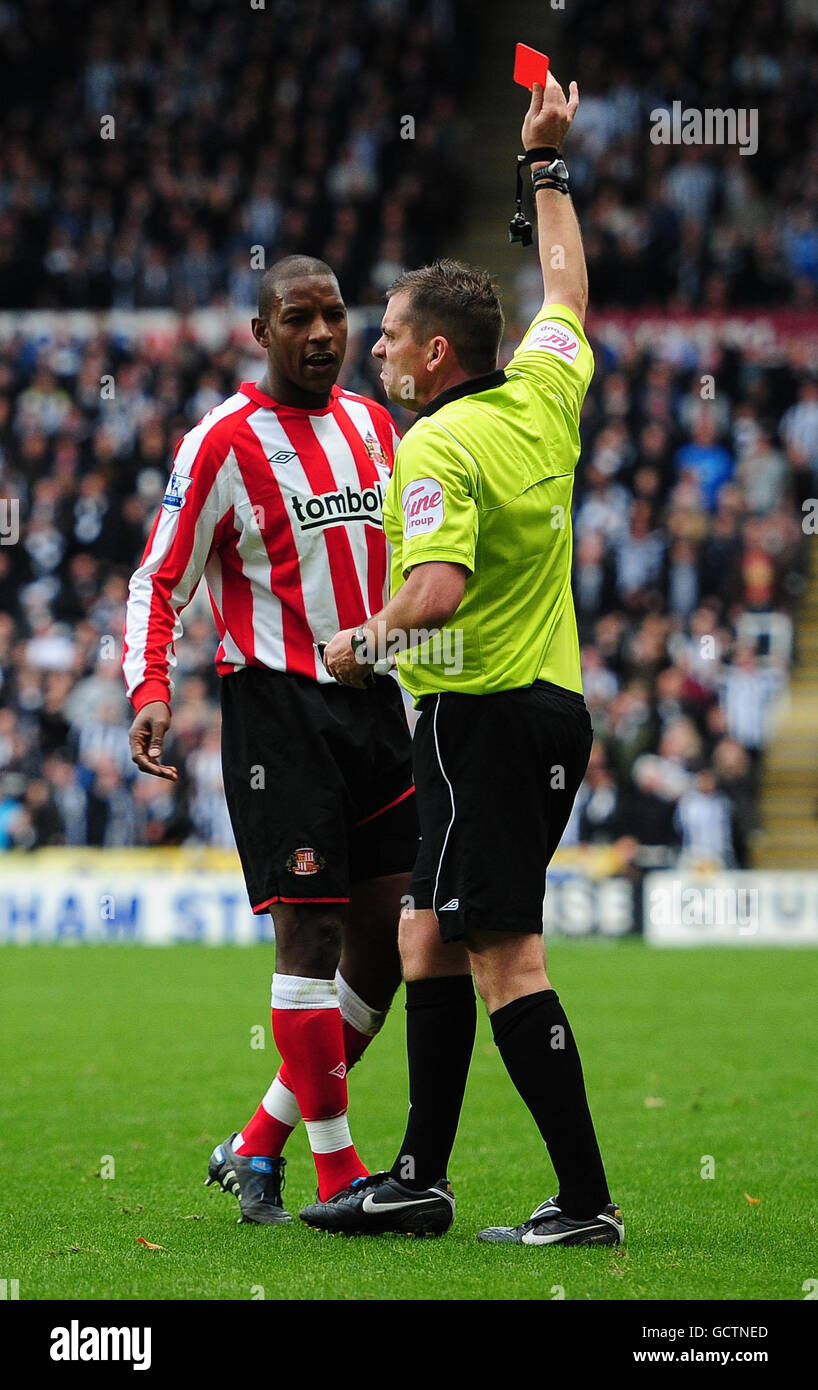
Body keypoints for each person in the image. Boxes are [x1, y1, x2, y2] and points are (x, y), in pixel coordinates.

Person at [305, 74, 623, 1246]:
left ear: (433, 354)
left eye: (384, 335)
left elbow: (434, 592)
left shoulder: (434, 441)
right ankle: (418, 1179)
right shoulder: (541, 392)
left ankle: (584, 1202)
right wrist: (543, 168)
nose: (370, 349)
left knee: (505, 956)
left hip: (476, 717)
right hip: (541, 707)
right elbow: (570, 289)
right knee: (424, 935)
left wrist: (359, 643)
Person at [123, 255, 419, 1223]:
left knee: (391, 942)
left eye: (335, 314)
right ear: (262, 332)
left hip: (375, 705)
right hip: (278, 715)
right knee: (314, 933)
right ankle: (337, 1175)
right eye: (299, 316)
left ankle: (257, 1141)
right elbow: (157, 579)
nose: (324, 332)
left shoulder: (375, 424)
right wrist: (151, 686)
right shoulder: (220, 443)